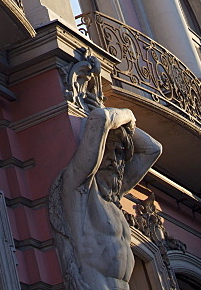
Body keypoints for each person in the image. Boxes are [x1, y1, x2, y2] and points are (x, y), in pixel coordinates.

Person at [49, 106, 162, 290]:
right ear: (99, 151)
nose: (115, 160)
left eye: (119, 154)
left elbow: (153, 149)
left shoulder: (114, 195)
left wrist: (128, 128)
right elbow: (100, 118)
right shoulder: (80, 188)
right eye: (109, 151)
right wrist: (129, 115)